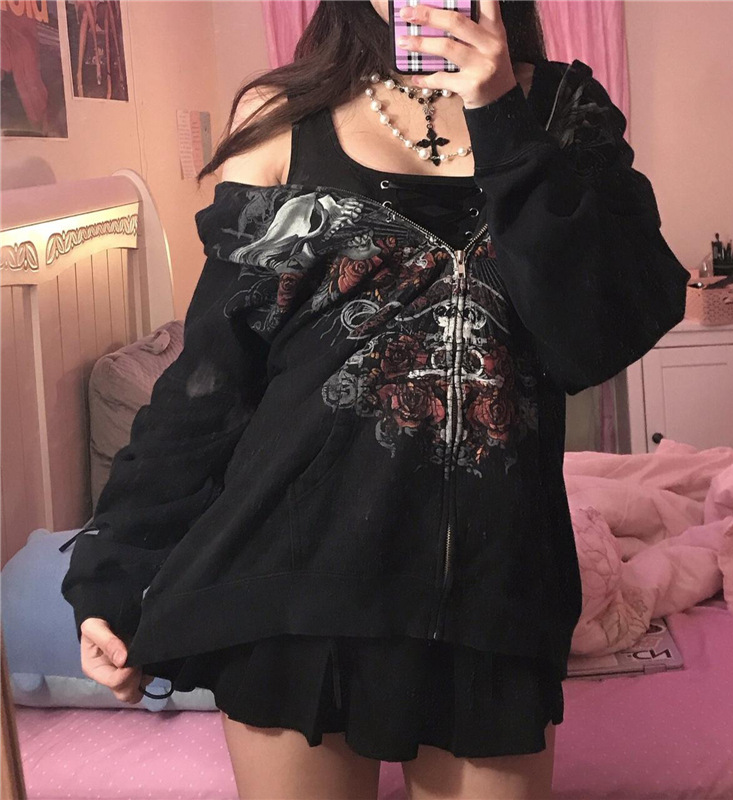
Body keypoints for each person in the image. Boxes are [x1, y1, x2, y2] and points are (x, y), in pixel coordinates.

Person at [61, 1, 690, 798]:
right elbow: (212, 382)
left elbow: (591, 340)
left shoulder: (565, 113)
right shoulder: (282, 117)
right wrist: (114, 568)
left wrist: (499, 112)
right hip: (293, 582)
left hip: (493, 590)